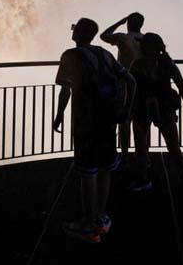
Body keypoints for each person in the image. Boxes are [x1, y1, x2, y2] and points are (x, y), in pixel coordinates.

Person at [53, 18, 136, 243]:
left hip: (85, 123)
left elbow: (65, 89)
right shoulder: (104, 54)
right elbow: (130, 79)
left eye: (75, 28)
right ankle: (100, 218)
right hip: (108, 121)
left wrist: (59, 114)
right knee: (105, 169)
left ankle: (87, 226)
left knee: (87, 172)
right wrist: (126, 110)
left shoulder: (70, 55)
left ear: (78, 33)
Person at [127, 33, 183, 191]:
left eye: (143, 44)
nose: (141, 47)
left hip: (158, 108)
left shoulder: (145, 64)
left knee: (171, 147)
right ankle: (182, 181)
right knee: (144, 146)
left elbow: (182, 87)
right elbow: (182, 88)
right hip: (149, 108)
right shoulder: (152, 63)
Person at [100, 12, 144, 160]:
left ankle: (124, 155)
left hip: (123, 83)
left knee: (124, 120)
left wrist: (120, 21)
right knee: (141, 122)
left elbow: (104, 35)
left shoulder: (123, 38)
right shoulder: (145, 39)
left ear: (128, 23)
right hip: (142, 84)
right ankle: (142, 157)